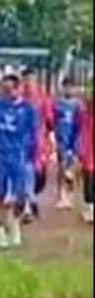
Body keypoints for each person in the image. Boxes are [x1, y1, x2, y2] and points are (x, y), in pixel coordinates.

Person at [0, 74, 38, 249]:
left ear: (18, 88)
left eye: (11, 88)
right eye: (4, 89)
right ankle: (0, 232)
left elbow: (34, 133)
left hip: (20, 156)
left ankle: (15, 226)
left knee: (20, 196)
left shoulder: (28, 108)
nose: (7, 92)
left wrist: (35, 155)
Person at [19, 68, 55, 222]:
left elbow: (50, 120)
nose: (28, 83)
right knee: (25, 173)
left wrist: (51, 139)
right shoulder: (19, 98)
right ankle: (27, 206)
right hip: (21, 141)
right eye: (26, 80)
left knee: (40, 178)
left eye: (31, 80)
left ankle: (31, 198)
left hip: (40, 141)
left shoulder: (42, 98)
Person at [52, 79, 82, 210]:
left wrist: (77, 142)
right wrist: (55, 138)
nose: (68, 90)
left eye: (71, 87)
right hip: (62, 140)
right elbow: (53, 121)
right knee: (61, 167)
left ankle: (70, 196)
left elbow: (81, 125)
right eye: (66, 87)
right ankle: (61, 196)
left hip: (74, 141)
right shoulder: (58, 104)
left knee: (73, 170)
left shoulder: (78, 106)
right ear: (63, 88)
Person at [78, 89, 94, 225]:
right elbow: (80, 132)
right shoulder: (84, 115)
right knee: (89, 179)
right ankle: (90, 208)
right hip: (88, 151)